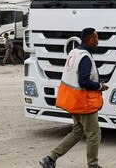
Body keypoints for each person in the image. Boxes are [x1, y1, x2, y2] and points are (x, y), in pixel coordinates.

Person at [40, 28, 109, 168]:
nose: (98, 40)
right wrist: (99, 86)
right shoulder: (85, 57)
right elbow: (84, 81)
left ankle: (50, 159)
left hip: (73, 101)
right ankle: (93, 166)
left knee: (77, 132)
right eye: (96, 38)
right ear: (90, 40)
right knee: (94, 135)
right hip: (84, 103)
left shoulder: (74, 52)